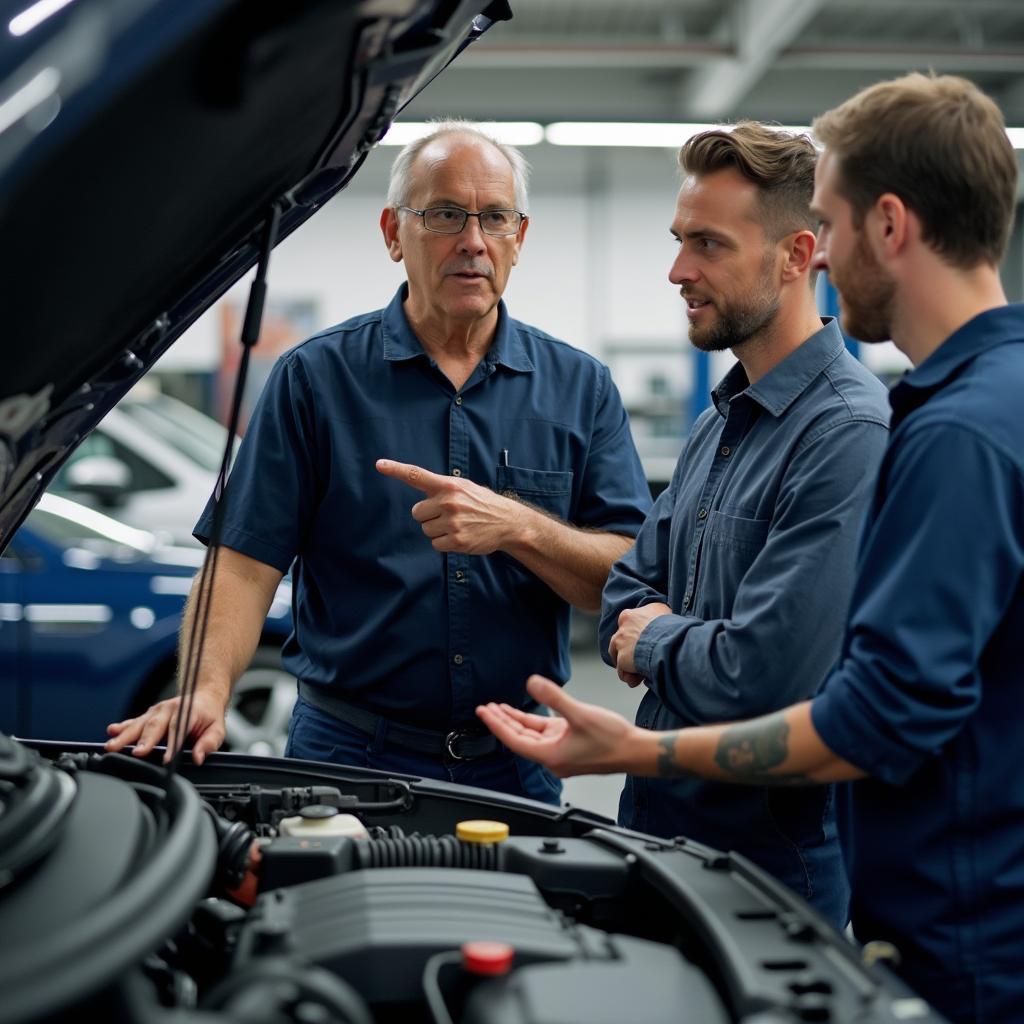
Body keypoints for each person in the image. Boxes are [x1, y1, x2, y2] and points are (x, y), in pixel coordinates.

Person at [479, 73, 1023, 1024]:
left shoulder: (924, 431)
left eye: (836, 224)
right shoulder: (741, 416)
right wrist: (657, 649)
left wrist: (639, 723)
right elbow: (631, 581)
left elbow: (820, 691)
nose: (680, 269)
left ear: (879, 227)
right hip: (728, 850)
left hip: (914, 916)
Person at [105, 121, 651, 804]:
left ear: (520, 237)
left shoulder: (580, 388)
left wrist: (519, 527)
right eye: (446, 214)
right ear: (394, 233)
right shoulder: (315, 379)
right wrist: (205, 690)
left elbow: (623, 575)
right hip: (346, 756)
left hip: (515, 761)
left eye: (495, 218)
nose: (473, 241)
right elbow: (242, 565)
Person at [598, 122, 889, 927]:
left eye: (708, 245)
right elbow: (624, 586)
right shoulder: (718, 420)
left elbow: (768, 675)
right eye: (678, 240)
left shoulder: (847, 433)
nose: (677, 271)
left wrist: (655, 641)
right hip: (659, 833)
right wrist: (662, 629)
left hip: (767, 871)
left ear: (797, 256)